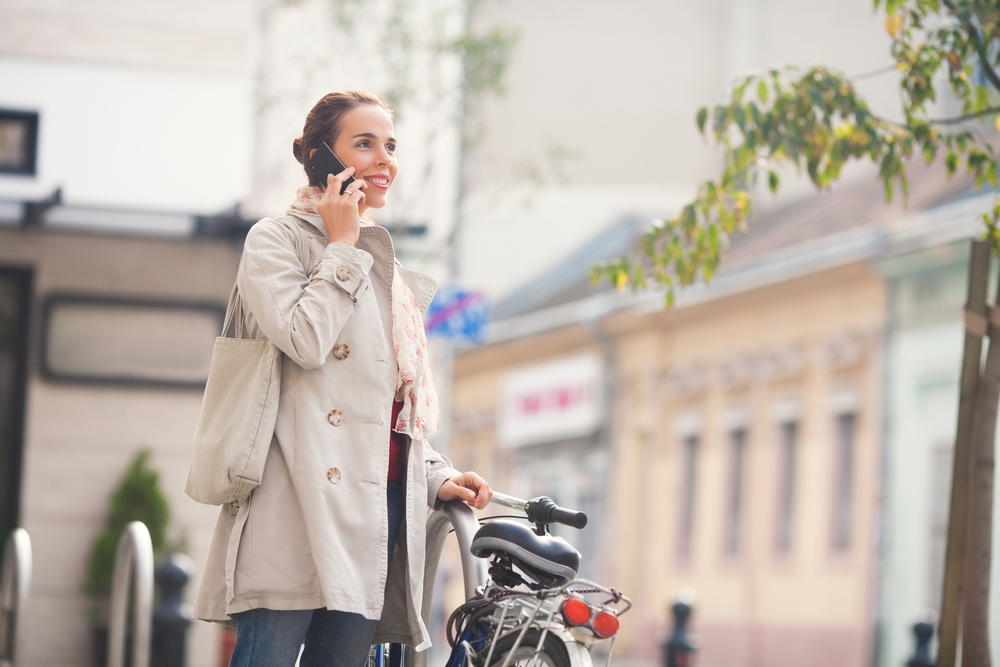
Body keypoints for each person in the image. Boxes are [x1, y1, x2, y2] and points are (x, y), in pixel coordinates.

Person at [192, 90, 492, 667]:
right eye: (364, 144)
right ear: (320, 158)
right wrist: (344, 244)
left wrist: (435, 475)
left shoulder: (386, 266)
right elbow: (305, 342)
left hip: (368, 518)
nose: (385, 160)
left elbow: (381, 401)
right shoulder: (275, 240)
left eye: (390, 145)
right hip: (292, 508)